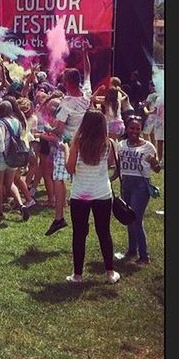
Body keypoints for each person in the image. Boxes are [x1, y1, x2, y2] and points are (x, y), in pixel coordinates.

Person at [64, 109, 120, 284]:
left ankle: (78, 275)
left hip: (80, 194)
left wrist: (66, 149)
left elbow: (69, 168)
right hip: (102, 193)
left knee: (79, 234)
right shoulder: (108, 143)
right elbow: (111, 163)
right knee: (104, 232)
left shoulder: (78, 143)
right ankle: (110, 273)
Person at [45, 48, 92, 236]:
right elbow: (88, 72)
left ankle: (59, 217)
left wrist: (47, 129)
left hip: (67, 145)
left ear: (68, 82)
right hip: (85, 143)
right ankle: (85, 217)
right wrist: (85, 54)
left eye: (64, 80)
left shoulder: (66, 104)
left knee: (59, 177)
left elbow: (59, 130)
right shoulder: (87, 94)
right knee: (80, 179)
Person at [116, 115, 161, 264]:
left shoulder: (148, 146)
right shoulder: (121, 145)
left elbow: (156, 170)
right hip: (126, 183)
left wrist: (155, 163)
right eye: (132, 128)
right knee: (128, 218)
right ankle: (131, 251)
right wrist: (108, 180)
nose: (135, 131)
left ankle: (144, 256)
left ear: (141, 129)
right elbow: (118, 168)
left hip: (141, 185)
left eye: (138, 128)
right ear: (127, 129)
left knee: (136, 219)